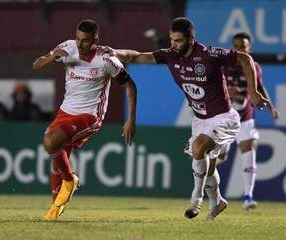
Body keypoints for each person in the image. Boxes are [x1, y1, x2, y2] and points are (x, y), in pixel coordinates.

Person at [100, 17, 268, 220]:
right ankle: (217, 201)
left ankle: (195, 200)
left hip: (224, 117)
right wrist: (115, 52)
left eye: (178, 40)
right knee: (208, 166)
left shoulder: (209, 54)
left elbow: (245, 58)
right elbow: (136, 56)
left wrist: (254, 92)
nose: (173, 44)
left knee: (198, 148)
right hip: (200, 120)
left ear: (191, 38)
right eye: (171, 39)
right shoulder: (170, 55)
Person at [32, 19, 137, 221]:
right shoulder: (66, 47)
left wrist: (131, 119)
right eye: (78, 39)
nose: (81, 44)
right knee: (56, 156)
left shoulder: (107, 60)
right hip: (65, 111)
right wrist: (51, 58)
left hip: (90, 115)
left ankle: (70, 180)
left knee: (50, 142)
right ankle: (55, 209)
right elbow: (35, 65)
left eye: (86, 41)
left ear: (96, 40)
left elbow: (130, 86)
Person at [216, 32, 279, 210]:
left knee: (248, 149)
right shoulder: (223, 66)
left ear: (249, 48)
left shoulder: (254, 66)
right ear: (232, 47)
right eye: (236, 45)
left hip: (245, 117)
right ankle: (211, 168)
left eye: (243, 46)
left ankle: (248, 197)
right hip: (225, 117)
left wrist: (271, 108)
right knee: (220, 155)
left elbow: (259, 87)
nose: (239, 48)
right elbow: (212, 89)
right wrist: (228, 91)